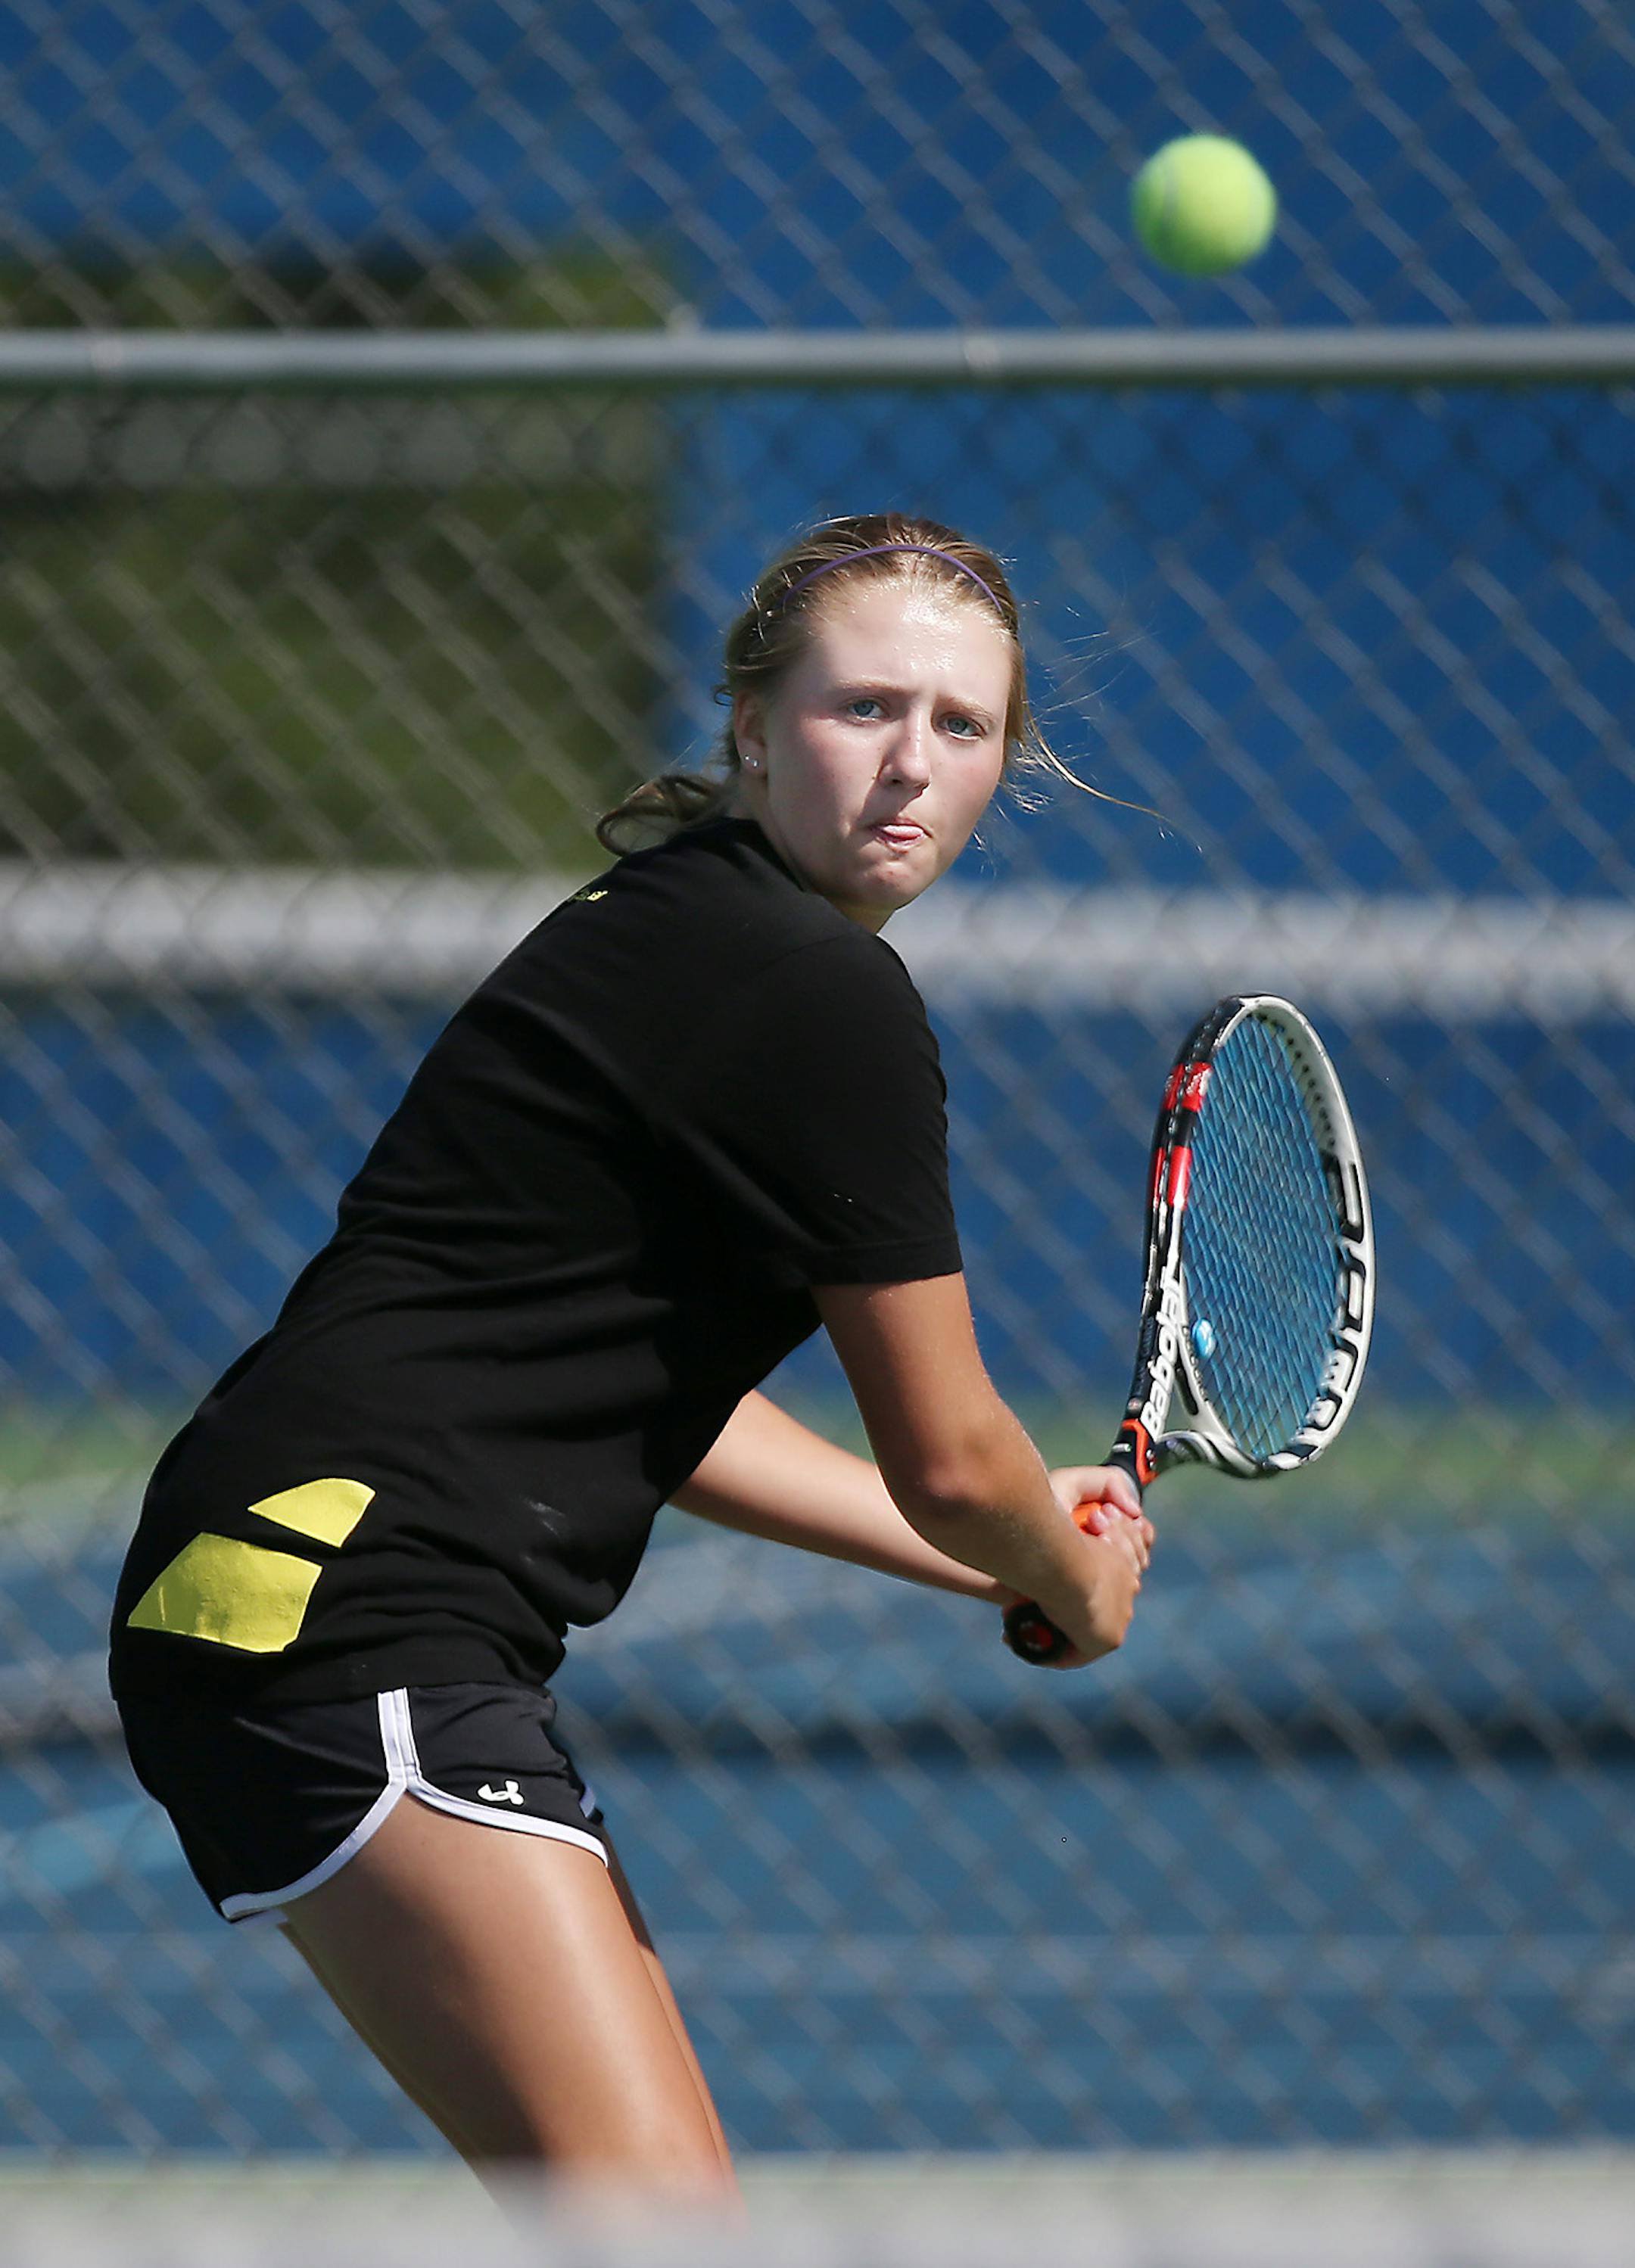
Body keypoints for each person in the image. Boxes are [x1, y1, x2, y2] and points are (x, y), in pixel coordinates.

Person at [107, 511, 1153, 2200]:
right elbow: (956, 1457)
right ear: (750, 727)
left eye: (960, 727)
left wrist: (986, 1554)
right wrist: (1053, 1559)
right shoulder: (821, 993)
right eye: (861, 707)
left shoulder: (679, 919)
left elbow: (670, 1407)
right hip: (355, 1612)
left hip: (285, 1596)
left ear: (1002, 765)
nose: (909, 764)